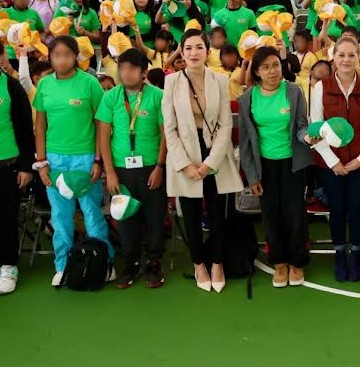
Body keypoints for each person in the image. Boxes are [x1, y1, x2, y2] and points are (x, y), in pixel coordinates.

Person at [163, 29, 243, 292]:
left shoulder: (219, 80)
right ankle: (199, 263)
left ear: (208, 51)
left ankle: (218, 262)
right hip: (185, 153)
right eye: (188, 48)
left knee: (219, 213)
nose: (193, 53)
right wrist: (185, 164)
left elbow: (225, 124)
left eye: (199, 47)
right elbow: (169, 128)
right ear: (181, 53)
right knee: (191, 213)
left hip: (214, 153)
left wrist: (211, 162)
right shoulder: (172, 81)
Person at [33, 35, 113, 286]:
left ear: (76, 57)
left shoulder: (90, 83)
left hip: (86, 157)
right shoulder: (44, 85)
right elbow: (40, 127)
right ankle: (62, 265)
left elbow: (102, 124)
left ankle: (104, 264)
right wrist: (43, 162)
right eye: (56, 55)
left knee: (92, 214)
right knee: (60, 217)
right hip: (55, 161)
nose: (61, 60)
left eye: (67, 54)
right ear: (50, 57)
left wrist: (98, 160)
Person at [308, 36, 360, 282]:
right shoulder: (321, 87)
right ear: (333, 58)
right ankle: (340, 254)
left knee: (356, 208)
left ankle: (356, 254)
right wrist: (333, 162)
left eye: (351, 55)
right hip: (331, 165)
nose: (346, 60)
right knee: (337, 209)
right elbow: (315, 129)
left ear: (357, 58)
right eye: (341, 55)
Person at [239, 46, 312, 288]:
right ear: (257, 72)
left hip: (293, 163)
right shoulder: (248, 98)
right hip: (264, 166)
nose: (273, 71)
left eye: (276, 65)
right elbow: (246, 142)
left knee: (294, 214)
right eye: (266, 67)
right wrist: (252, 176)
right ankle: (279, 263)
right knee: (271, 215)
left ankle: (297, 262)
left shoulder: (293, 92)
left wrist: (308, 137)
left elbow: (302, 125)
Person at [96, 48, 167, 289]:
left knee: (155, 217)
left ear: (143, 72)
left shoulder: (157, 96)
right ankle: (131, 263)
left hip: (151, 168)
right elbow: (103, 136)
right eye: (122, 68)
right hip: (121, 170)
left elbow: (165, 134)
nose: (126, 73)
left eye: (132, 69)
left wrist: (159, 166)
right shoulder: (111, 97)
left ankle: (154, 262)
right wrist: (110, 172)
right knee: (126, 219)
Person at [0, 50, 35, 294]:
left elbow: (25, 128)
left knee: (5, 216)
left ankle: (8, 265)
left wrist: (25, 167)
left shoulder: (11, 87)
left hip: (8, 163)